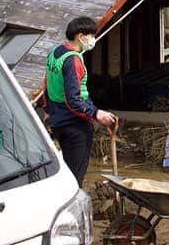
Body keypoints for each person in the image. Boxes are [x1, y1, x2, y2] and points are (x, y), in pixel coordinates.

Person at [42, 17, 116, 187]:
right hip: (74, 125)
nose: (93, 40)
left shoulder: (55, 53)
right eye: (91, 35)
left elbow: (47, 84)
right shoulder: (73, 60)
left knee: (63, 172)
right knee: (74, 179)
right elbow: (74, 100)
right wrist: (97, 114)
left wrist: (47, 110)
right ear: (81, 36)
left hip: (57, 121)